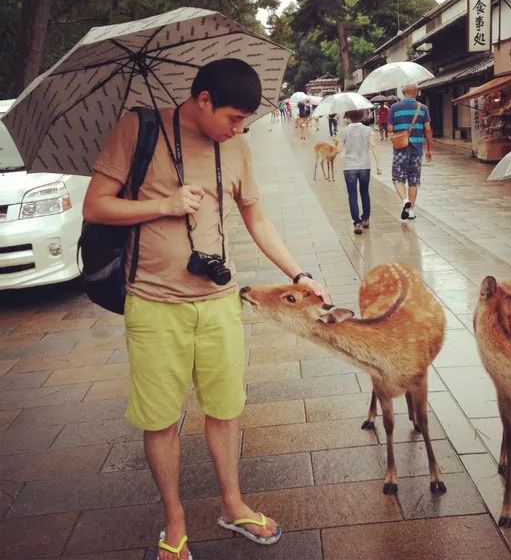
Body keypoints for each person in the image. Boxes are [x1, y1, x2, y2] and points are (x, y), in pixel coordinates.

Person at [83, 58, 328, 559]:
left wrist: (298, 273)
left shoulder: (236, 147)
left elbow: (257, 218)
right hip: (153, 305)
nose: (239, 129)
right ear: (203, 101)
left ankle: (233, 504)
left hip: (218, 303)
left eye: (245, 122)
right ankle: (174, 525)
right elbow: (96, 206)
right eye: (234, 118)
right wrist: (163, 205)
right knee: (160, 419)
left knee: (226, 408)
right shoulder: (138, 128)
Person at [388, 83, 433, 220]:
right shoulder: (423, 108)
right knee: (413, 180)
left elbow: (390, 129)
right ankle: (411, 210)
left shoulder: (394, 107)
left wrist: (398, 127)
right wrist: (429, 149)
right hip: (417, 149)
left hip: (401, 148)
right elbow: (428, 130)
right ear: (417, 92)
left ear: (403, 92)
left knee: (397, 177)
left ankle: (404, 201)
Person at [340, 109, 382, 234]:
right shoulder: (368, 130)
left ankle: (357, 223)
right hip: (364, 166)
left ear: (349, 118)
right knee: (364, 192)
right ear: (362, 116)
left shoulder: (344, 131)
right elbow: (373, 146)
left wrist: (337, 141)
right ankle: (365, 219)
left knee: (352, 195)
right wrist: (378, 165)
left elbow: (337, 150)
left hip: (349, 167)